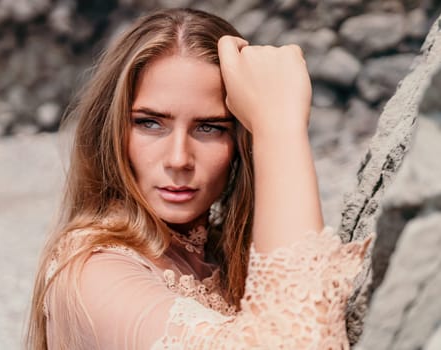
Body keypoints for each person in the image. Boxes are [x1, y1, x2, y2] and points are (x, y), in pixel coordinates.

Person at [26, 8, 372, 349]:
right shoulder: (93, 272)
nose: (179, 159)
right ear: (111, 130)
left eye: (209, 127)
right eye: (149, 122)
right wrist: (279, 125)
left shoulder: (223, 254)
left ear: (239, 142)